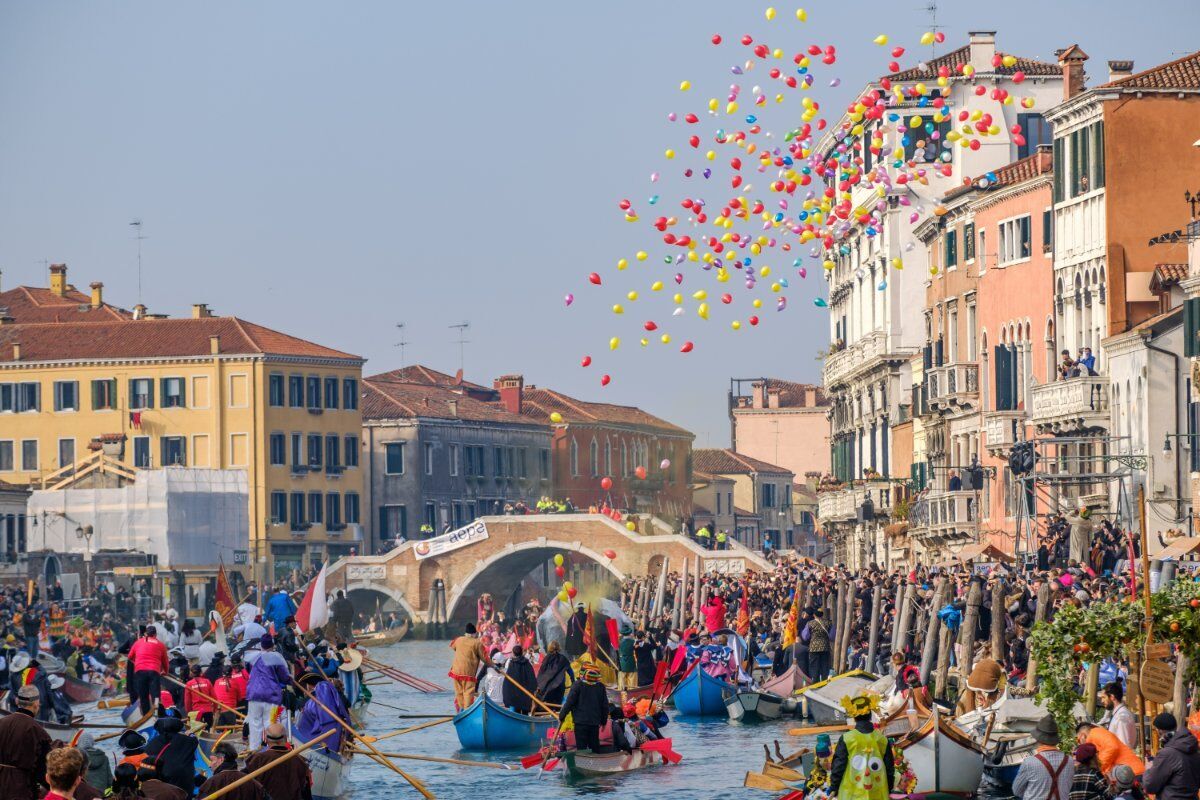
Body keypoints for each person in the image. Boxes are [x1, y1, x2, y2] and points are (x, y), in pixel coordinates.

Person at [829, 691, 894, 800]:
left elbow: (839, 765)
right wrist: (890, 788)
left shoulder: (847, 739)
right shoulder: (882, 739)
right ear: (870, 715)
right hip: (877, 792)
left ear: (854, 717)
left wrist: (834, 787)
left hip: (852, 793)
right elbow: (889, 768)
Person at [0, 685, 52, 799]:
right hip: (21, 791)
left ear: (17, 701)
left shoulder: (1, 723)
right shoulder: (39, 733)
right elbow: (43, 772)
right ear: (36, 704)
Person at [245, 634, 291, 750]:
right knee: (271, 723)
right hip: (272, 696)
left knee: (255, 725)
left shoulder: (252, 657)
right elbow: (284, 677)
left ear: (261, 645)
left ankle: (254, 751)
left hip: (254, 695)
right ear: (272, 645)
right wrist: (291, 680)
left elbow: (249, 671)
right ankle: (273, 750)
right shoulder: (276, 657)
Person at [1013, 715, 1074, 800]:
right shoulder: (1070, 761)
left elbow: (1016, 790)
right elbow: (1069, 787)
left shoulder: (1029, 762)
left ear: (1038, 739)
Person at [246, 723, 313, 800]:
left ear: (267, 739)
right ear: (285, 738)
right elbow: (306, 794)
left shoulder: (257, 759)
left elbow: (246, 788)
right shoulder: (300, 761)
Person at [1142, 712, 1200, 800]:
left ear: (1159, 731)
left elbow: (1150, 786)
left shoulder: (1167, 753)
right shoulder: (1193, 748)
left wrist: (1148, 769)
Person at [142, 716, 198, 796]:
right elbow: (195, 740)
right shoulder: (188, 740)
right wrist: (190, 734)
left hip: (163, 784)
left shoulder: (151, 744)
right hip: (185, 784)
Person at [558, 666, 609, 753]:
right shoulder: (600, 687)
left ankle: (583, 763)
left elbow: (569, 703)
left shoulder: (577, 685)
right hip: (594, 723)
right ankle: (596, 763)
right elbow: (605, 706)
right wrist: (603, 721)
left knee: (582, 748)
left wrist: (561, 716)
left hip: (580, 723)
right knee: (594, 747)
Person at [197, 741, 267, 800]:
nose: (210, 765)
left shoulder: (211, 784)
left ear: (221, 759)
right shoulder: (251, 782)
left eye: (212, 760)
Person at [1076, 720, 1144, 777]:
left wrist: (1098, 767)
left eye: (1078, 740)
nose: (1079, 744)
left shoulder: (1094, 733)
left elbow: (1112, 747)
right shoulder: (1094, 737)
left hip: (1131, 773)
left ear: (1083, 736)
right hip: (1128, 773)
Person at [128, 625, 169, 716]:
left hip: (140, 671)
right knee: (155, 695)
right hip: (154, 671)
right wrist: (165, 672)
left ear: (146, 634)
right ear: (155, 634)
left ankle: (146, 716)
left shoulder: (138, 642)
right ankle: (156, 713)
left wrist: (137, 663)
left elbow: (130, 656)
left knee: (143, 695)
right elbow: (165, 661)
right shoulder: (160, 645)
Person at [448, 623, 487, 710]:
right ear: (474, 633)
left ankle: (461, 710)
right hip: (468, 673)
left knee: (459, 692)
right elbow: (485, 658)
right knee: (468, 692)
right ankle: (466, 710)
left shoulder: (458, 640)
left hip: (456, 671)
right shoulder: (477, 643)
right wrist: (494, 666)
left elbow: (453, 647)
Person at [1099, 681, 1137, 749]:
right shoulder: (1118, 714)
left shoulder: (1122, 717)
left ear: (1112, 697)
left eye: (1103, 697)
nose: (1102, 701)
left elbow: (1124, 745)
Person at [502, 645, 538, 714]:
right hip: (525, 694)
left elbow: (507, 682)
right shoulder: (527, 663)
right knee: (525, 712)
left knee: (517, 711)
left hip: (516, 694)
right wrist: (534, 689)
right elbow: (532, 678)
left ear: (513, 653)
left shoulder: (512, 664)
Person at [535, 641, 573, 706]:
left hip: (547, 685)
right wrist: (573, 682)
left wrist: (538, 684)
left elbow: (541, 671)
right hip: (560, 685)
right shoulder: (563, 658)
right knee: (557, 704)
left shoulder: (547, 658)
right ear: (558, 648)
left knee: (547, 702)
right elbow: (570, 672)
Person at [184, 663, 216, 730]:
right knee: (208, 730)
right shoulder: (207, 681)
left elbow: (187, 701)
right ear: (201, 672)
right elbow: (214, 698)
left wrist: (189, 712)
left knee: (196, 732)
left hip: (196, 712)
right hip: (208, 711)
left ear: (192, 673)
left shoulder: (189, 684)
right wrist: (214, 710)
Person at [617, 626, 637, 691]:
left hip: (622, 660)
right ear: (629, 633)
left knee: (622, 677)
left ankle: (621, 690)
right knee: (631, 676)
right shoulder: (634, 641)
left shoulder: (619, 642)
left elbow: (614, 647)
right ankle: (632, 690)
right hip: (631, 660)